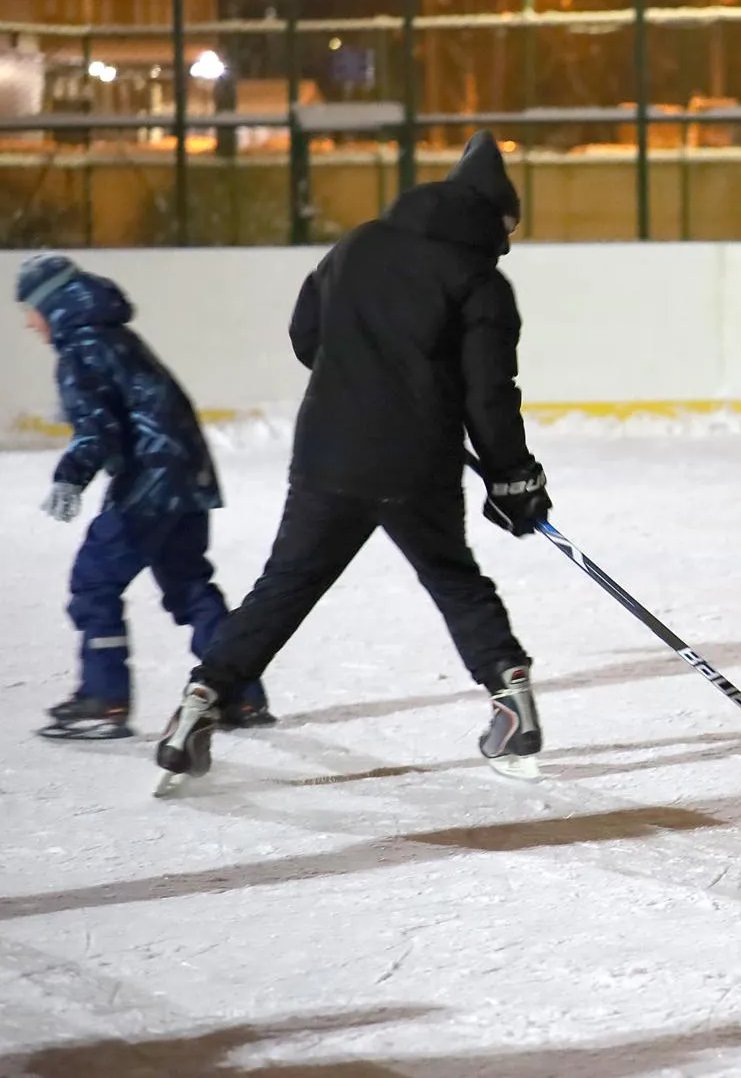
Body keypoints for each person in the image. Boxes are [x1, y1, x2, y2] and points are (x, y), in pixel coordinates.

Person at [155, 130, 554, 786]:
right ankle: (510, 695)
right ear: (489, 216)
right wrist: (513, 476)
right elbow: (489, 395)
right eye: (507, 229)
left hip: (330, 453)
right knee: (453, 578)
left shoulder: (358, 244)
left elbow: (305, 333)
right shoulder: (484, 283)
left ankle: (202, 701)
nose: (507, 243)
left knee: (284, 586)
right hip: (418, 462)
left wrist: (359, 377)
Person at [16, 255, 271, 740]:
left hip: (148, 485)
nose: (29, 322)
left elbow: (98, 429)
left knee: (94, 584)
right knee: (191, 586)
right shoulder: (115, 338)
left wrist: (71, 477)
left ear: (56, 303)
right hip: (187, 478)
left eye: (31, 308)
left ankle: (105, 699)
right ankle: (240, 693)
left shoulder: (82, 349)